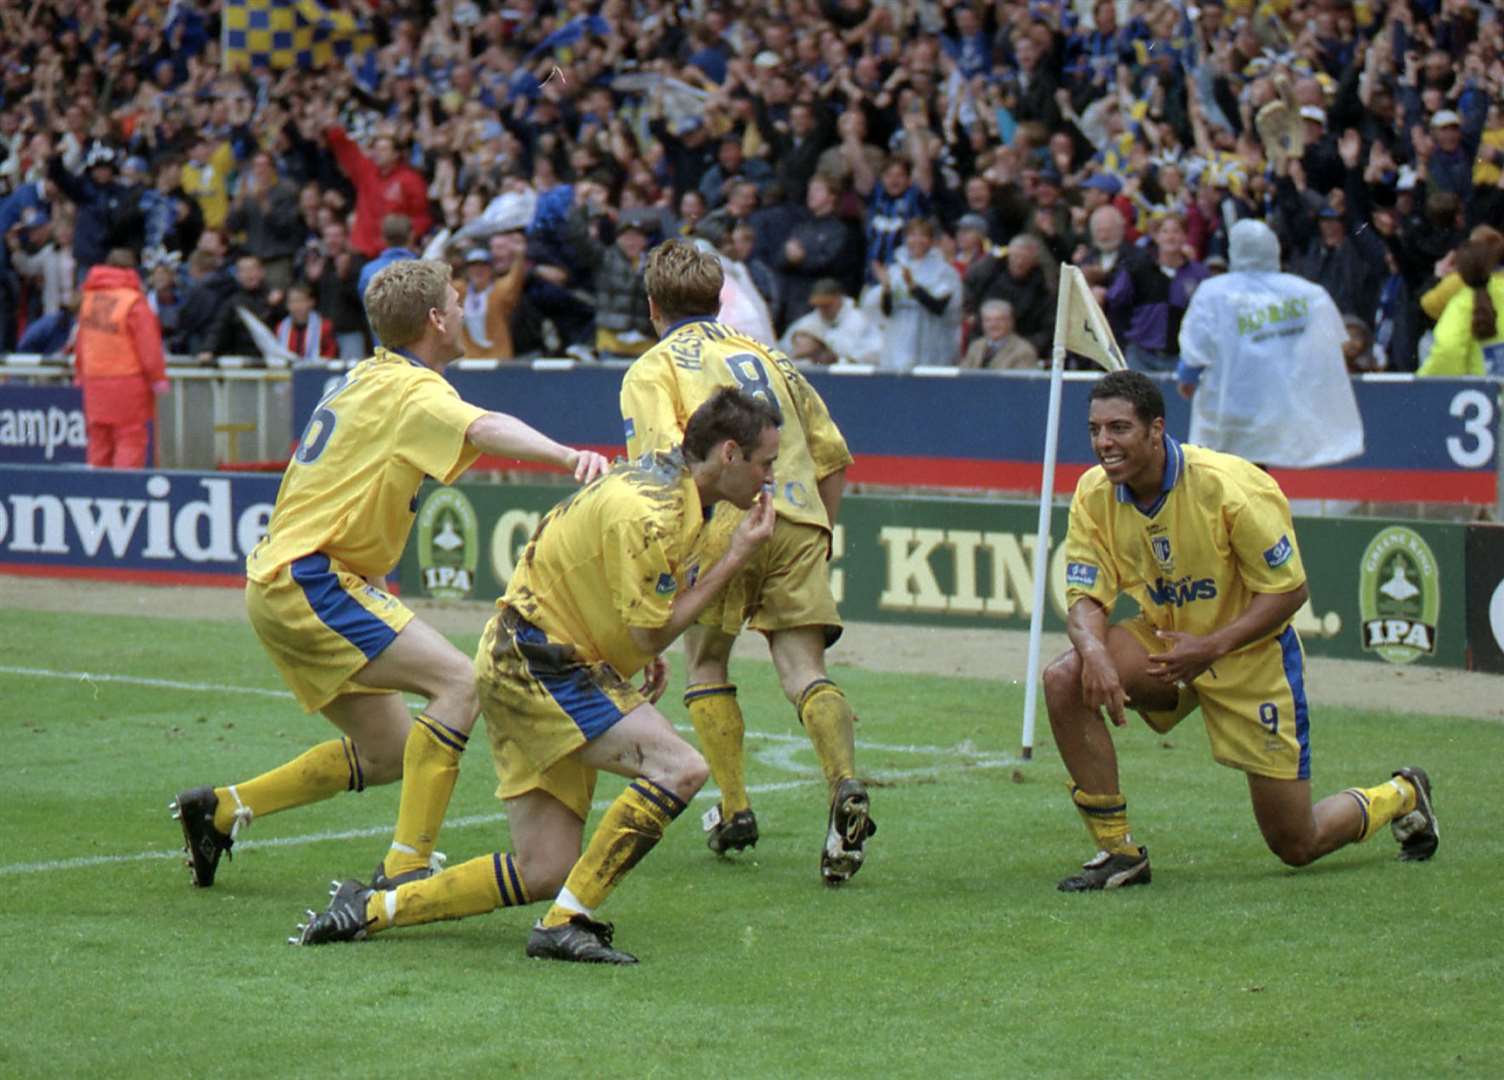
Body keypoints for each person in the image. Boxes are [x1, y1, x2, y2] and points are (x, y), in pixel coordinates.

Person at [294, 388, 779, 964]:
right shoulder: (653, 513)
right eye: (765, 463)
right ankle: (566, 923)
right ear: (728, 453)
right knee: (681, 768)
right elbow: (653, 629)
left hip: (527, 655)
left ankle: (372, 909)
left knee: (544, 868)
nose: (768, 477)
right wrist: (735, 558)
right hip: (538, 663)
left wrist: (631, 643)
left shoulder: (664, 481)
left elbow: (619, 589)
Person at [171, 259, 609, 891]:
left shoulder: (366, 375)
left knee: (390, 752)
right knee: (464, 682)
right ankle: (405, 866)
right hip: (313, 580)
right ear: (435, 319)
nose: (464, 313)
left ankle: (221, 810)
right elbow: (482, 427)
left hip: (287, 578)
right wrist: (568, 455)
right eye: (457, 303)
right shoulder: (413, 388)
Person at [1041, 369, 1439, 892]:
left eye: (1118, 428)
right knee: (1065, 677)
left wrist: (1211, 646)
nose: (1103, 443)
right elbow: (1087, 596)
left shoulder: (1231, 487)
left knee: (1296, 843)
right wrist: (1092, 650)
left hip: (1251, 660)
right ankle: (1119, 853)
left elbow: (1290, 590)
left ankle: (1404, 793)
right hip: (1168, 646)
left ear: (1156, 430)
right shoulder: (1093, 493)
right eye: (1095, 429)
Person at [620, 239, 877, 886]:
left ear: (653, 306)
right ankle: (844, 783)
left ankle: (734, 808)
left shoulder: (653, 368)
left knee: (705, 662)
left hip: (721, 521)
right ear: (719, 299)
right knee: (803, 669)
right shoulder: (773, 356)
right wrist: (819, 533)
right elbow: (833, 455)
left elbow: (660, 473)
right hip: (797, 514)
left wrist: (658, 574)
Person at [1176, 219, 1363, 467]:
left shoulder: (1215, 293)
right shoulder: (1306, 295)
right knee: (1257, 471)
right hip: (1279, 403)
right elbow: (1329, 344)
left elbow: (1196, 346)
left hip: (1230, 403)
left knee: (1227, 471)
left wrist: (1187, 377)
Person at [73, 248, 168, 468]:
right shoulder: (133, 301)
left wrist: (80, 373)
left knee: (99, 442)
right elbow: (149, 347)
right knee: (130, 439)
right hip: (128, 382)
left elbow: (81, 343)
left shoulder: (89, 300)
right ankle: (124, 492)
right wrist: (157, 378)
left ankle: (99, 494)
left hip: (95, 381)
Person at [1417, 238, 1504, 376]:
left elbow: (1448, 350)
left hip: (1480, 393)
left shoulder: (1461, 305)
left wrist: (1425, 383)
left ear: (1460, 272)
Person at [960, 298, 1039, 369]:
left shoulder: (1023, 351)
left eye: (999, 320)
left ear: (1010, 322)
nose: (993, 325)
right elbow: (963, 375)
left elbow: (1022, 383)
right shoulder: (975, 346)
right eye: (988, 320)